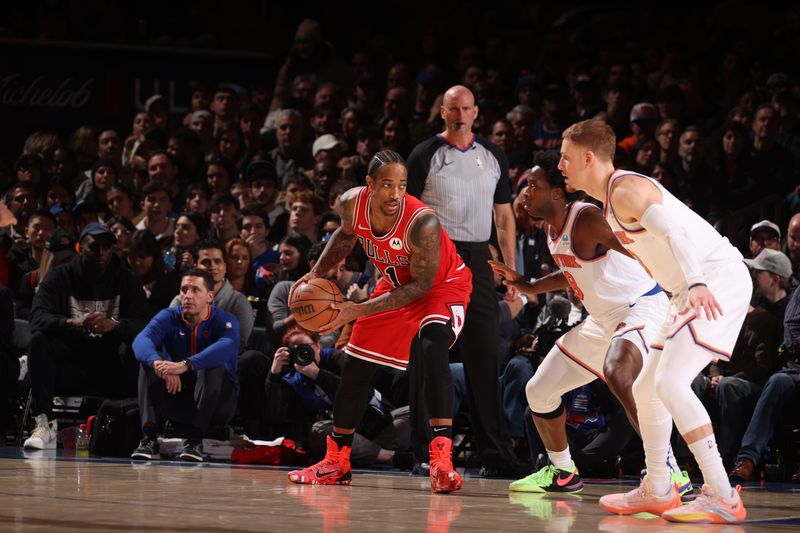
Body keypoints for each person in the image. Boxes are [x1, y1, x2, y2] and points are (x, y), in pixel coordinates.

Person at [558, 119, 750, 523]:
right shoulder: (608, 203)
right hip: (681, 290)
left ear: (588, 157)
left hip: (713, 278)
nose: (560, 164)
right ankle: (659, 488)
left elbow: (676, 232)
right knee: (646, 387)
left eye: (566, 157)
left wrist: (697, 282)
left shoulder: (626, 190)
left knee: (670, 383)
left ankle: (721, 493)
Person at [489, 155, 691, 497]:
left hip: (642, 305)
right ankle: (563, 472)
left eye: (533, 186)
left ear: (556, 193)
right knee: (539, 390)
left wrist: (679, 281)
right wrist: (528, 285)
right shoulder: (553, 231)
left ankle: (669, 471)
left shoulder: (586, 217)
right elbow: (572, 271)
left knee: (619, 373)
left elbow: (636, 248)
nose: (524, 192)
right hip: (602, 320)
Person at [286, 150, 472, 493]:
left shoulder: (422, 222)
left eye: (402, 185)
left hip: (441, 287)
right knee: (356, 367)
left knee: (432, 347)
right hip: (395, 285)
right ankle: (337, 461)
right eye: (387, 185)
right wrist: (315, 274)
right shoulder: (351, 204)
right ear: (369, 185)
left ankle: (442, 460)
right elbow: (344, 237)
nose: (396, 194)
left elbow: (421, 285)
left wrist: (357, 310)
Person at [406, 85, 520, 476]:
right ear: (442, 111)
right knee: (431, 354)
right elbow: (406, 215)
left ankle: (495, 454)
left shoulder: (492, 156)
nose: (460, 114)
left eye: (466, 108)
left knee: (485, 358)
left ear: (475, 112)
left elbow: (504, 218)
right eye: (453, 108)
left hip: (479, 258)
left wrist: (511, 272)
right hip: (436, 256)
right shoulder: (425, 155)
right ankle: (426, 451)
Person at [23, 223, 149, 449]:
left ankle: (131, 425)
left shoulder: (127, 280)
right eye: (94, 246)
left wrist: (113, 325)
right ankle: (44, 424)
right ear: (81, 247)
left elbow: (143, 323)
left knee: (135, 344)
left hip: (111, 365)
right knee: (39, 341)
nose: (101, 252)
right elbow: (37, 318)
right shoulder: (58, 277)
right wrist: (73, 322)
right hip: (70, 363)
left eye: (106, 247)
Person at [131, 268, 239, 462]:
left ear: (210, 296)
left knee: (212, 367)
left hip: (217, 403)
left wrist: (185, 365)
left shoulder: (225, 320)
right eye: (184, 290)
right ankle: (148, 437)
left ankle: (194, 440)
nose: (188, 296)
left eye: (195, 290)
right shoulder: (169, 316)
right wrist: (159, 365)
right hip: (178, 393)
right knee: (147, 364)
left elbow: (226, 346)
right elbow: (141, 340)